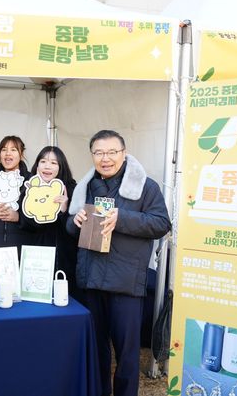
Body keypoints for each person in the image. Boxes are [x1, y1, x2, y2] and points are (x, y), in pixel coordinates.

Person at [67, 130, 171, 396]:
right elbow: (70, 227)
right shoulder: (85, 186)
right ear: (92, 155)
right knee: (97, 351)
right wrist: (74, 221)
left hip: (125, 283)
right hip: (91, 280)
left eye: (112, 152)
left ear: (124, 154)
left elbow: (161, 223)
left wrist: (122, 218)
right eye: (99, 153)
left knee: (127, 355)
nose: (106, 158)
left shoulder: (145, 186)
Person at [24, 146, 81, 301]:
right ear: (37, 165)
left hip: (65, 258)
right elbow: (24, 223)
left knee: (66, 301)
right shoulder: (29, 188)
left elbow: (76, 229)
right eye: (43, 161)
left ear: (61, 167)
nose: (47, 166)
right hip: (36, 259)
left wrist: (64, 210)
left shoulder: (72, 189)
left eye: (53, 163)